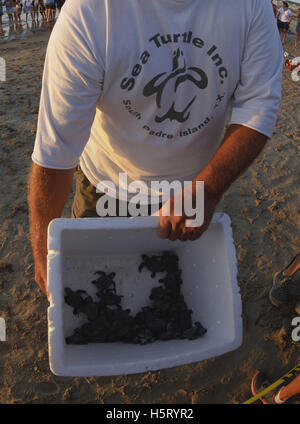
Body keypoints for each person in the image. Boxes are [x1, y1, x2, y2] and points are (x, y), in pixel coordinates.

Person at [29, 0, 283, 296]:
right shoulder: (91, 12)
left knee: (179, 297)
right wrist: (44, 250)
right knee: (95, 296)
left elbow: (259, 103)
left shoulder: (250, 5)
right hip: (107, 187)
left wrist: (209, 188)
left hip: (196, 188)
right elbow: (56, 148)